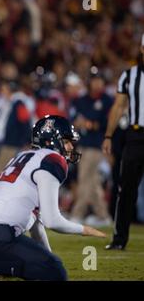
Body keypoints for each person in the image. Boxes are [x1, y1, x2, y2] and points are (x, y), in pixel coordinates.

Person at [0, 115, 106, 281]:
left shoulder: (22, 156)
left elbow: (36, 222)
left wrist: (46, 257)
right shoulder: (53, 160)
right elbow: (52, 221)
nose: (70, 147)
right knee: (56, 273)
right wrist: (84, 230)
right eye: (67, 141)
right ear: (51, 140)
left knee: (45, 264)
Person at [102, 35, 144, 250]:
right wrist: (108, 135)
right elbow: (118, 106)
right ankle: (119, 239)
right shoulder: (129, 75)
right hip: (136, 136)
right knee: (126, 189)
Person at [69, 72, 113, 226]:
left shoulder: (107, 100)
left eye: (99, 80)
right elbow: (73, 119)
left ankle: (77, 213)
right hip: (83, 143)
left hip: (96, 145)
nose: (97, 84)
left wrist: (88, 124)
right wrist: (81, 123)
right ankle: (103, 216)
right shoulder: (82, 99)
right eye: (94, 80)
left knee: (84, 179)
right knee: (92, 182)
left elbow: (104, 123)